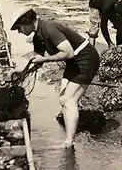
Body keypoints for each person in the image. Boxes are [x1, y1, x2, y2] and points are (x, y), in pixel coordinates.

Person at [10, 8, 100, 148]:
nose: (19, 32)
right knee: (62, 99)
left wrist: (45, 59)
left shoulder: (49, 28)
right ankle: (69, 137)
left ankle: (69, 141)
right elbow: (37, 60)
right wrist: (22, 70)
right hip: (73, 62)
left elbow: (68, 52)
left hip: (86, 59)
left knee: (69, 100)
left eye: (19, 28)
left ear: (26, 22)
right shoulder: (37, 36)